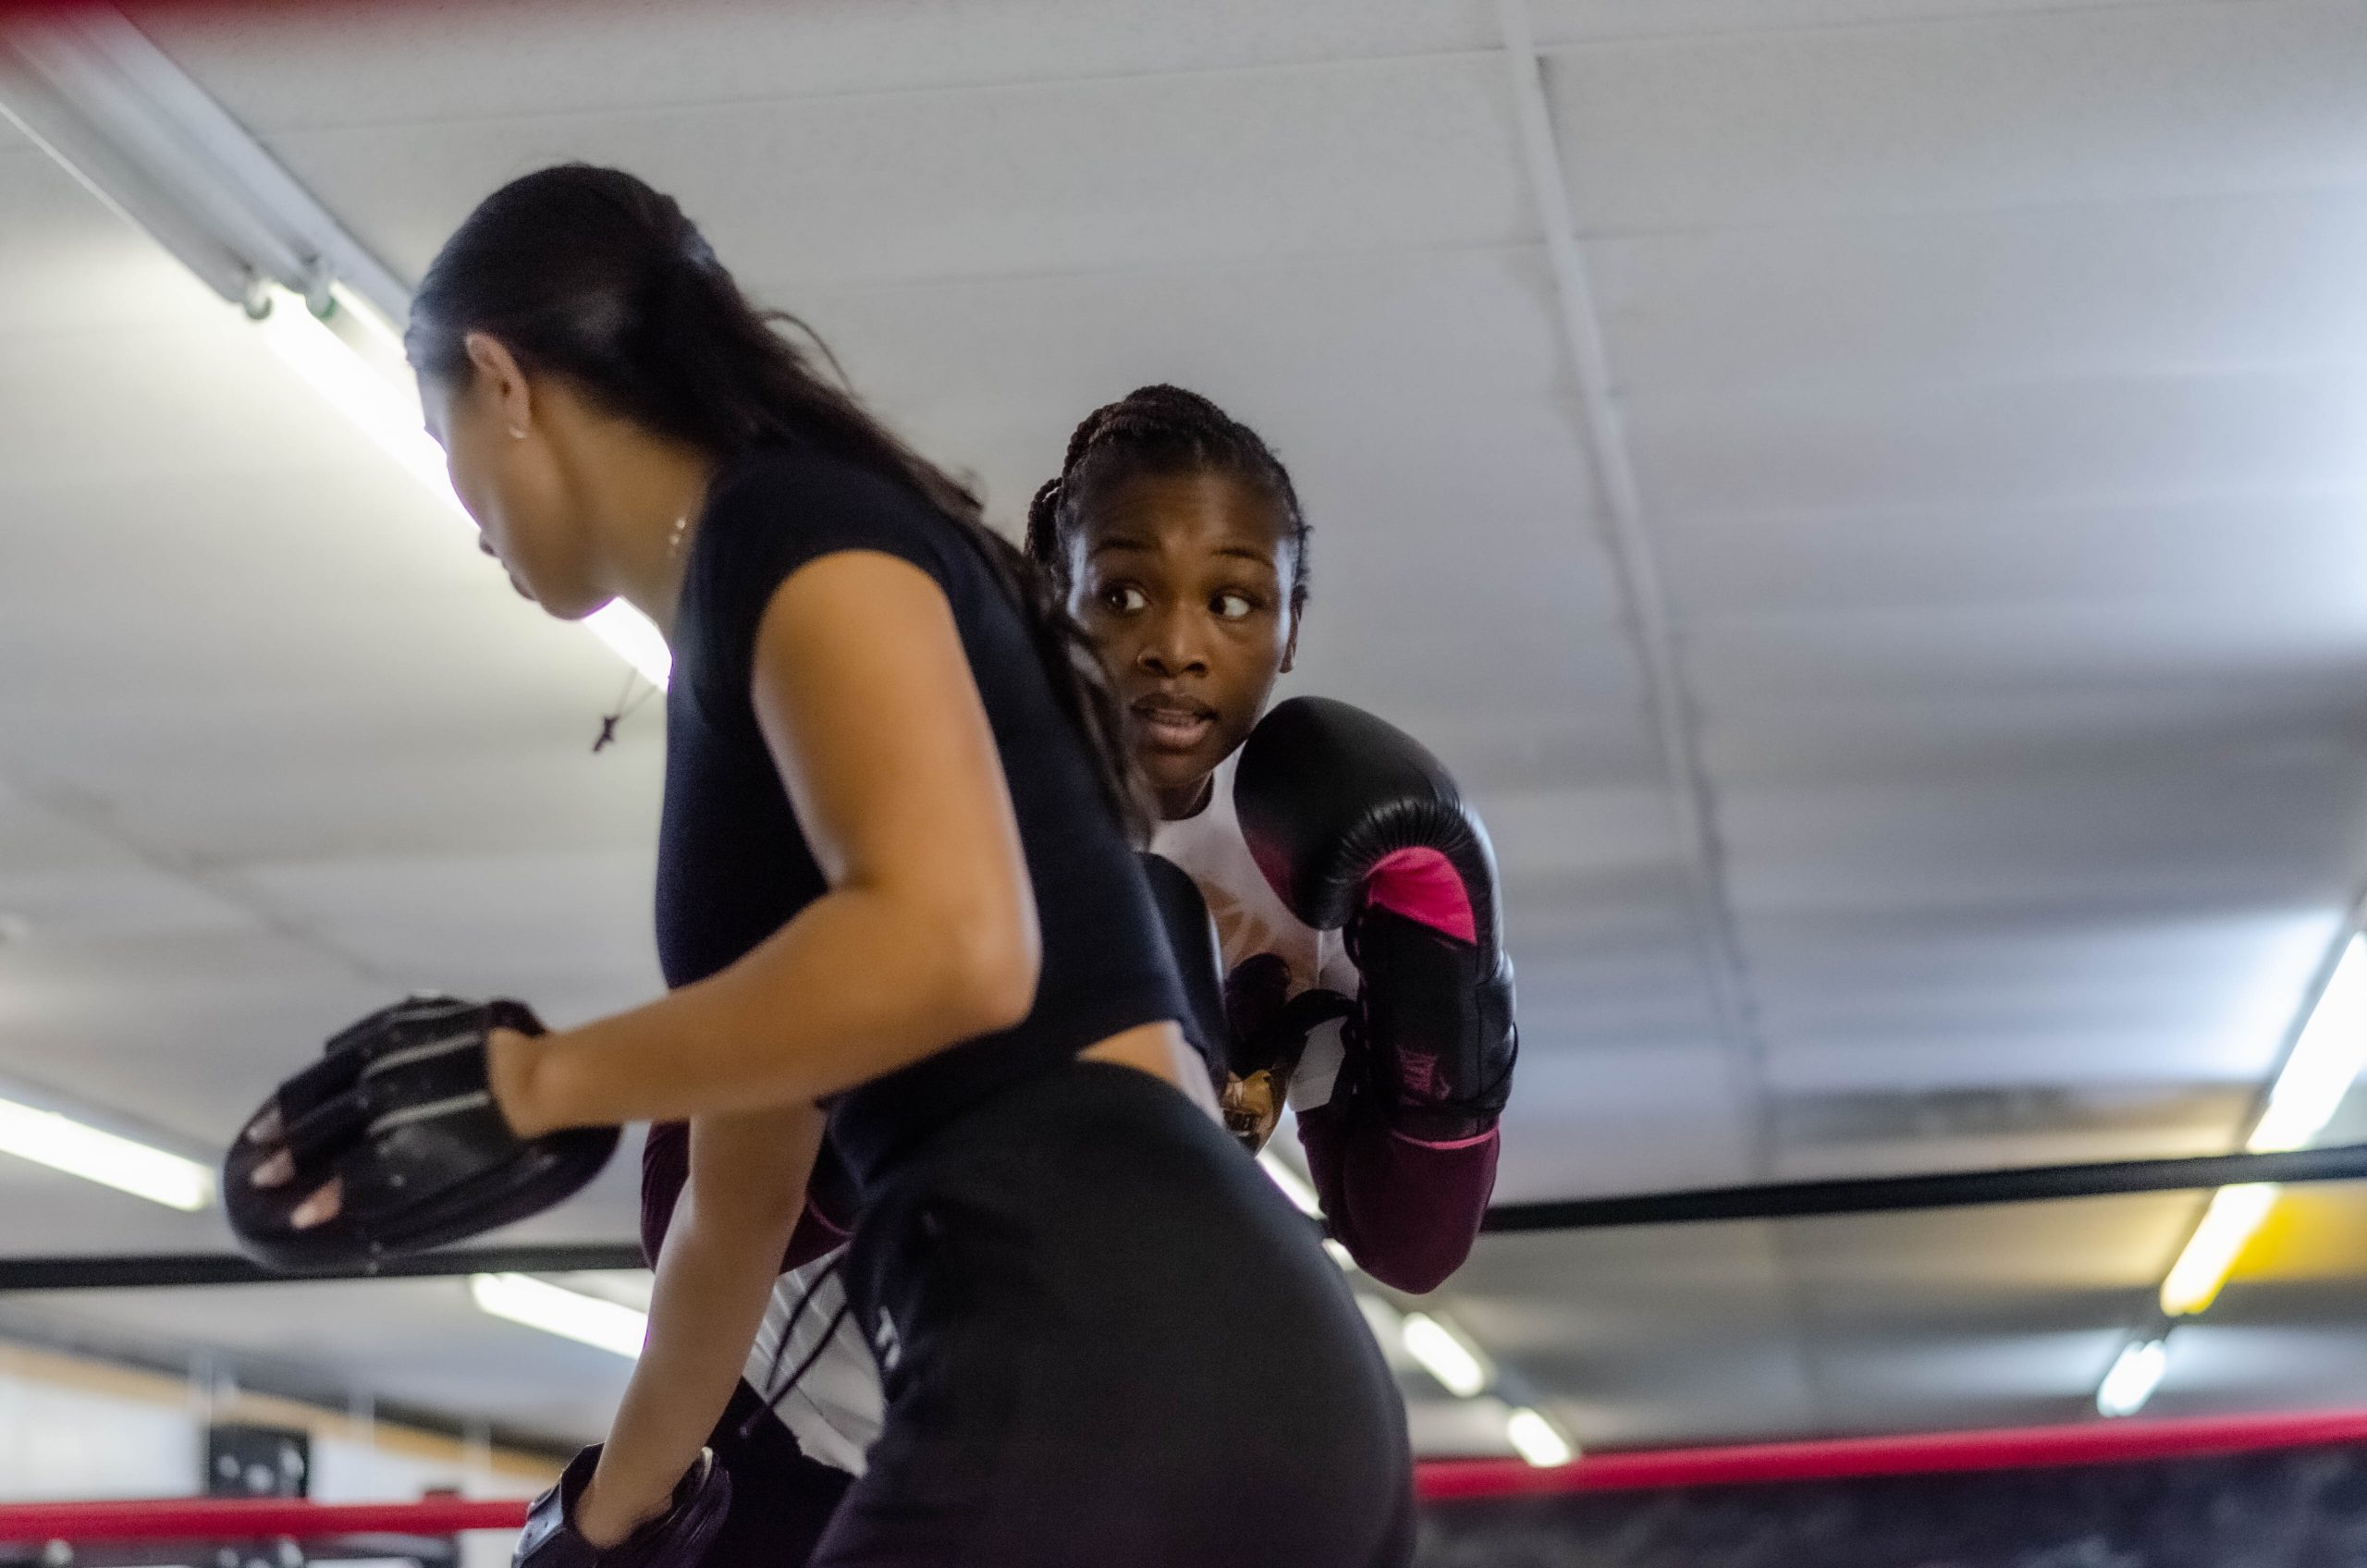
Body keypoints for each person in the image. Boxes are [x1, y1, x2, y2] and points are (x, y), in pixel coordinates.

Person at [235, 165, 1412, 1568]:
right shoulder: (768, 619)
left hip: (1083, 1342)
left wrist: (536, 1083)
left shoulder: (787, 531)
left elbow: (957, 948)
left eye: (441, 434)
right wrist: (611, 1518)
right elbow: (740, 1211)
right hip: (1232, 1367)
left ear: (502, 382)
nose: (466, 502)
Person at [631, 386, 1515, 1563]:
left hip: (1071, 1463)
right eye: (1125, 591)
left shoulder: (1322, 870)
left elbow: (1411, 1245)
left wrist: (1447, 989)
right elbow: (678, 1206)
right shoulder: (922, 792)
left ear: (1291, 626)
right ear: (1055, 596)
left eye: (1235, 600)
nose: (1176, 643)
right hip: (807, 1445)